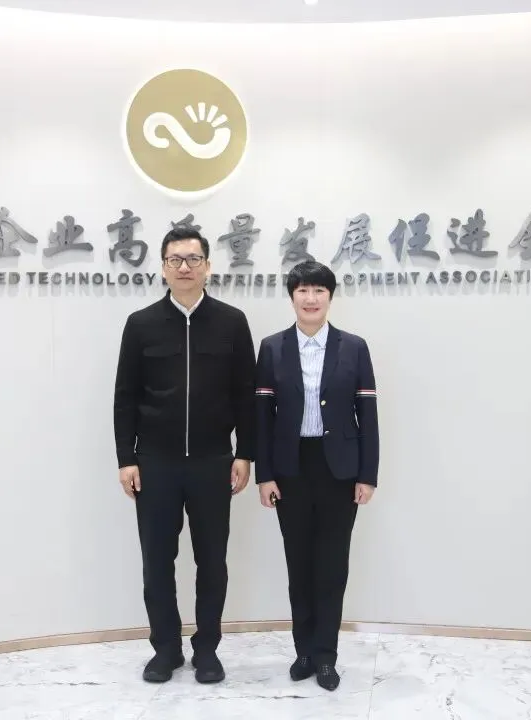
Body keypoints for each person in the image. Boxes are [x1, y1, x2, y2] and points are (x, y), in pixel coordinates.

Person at [113, 227, 256, 685]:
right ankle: (166, 649)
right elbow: (125, 395)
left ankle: (207, 649)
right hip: (155, 463)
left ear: (208, 266)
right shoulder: (141, 324)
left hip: (214, 461)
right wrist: (126, 457)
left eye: (194, 259)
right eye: (175, 259)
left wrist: (245, 452)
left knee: (212, 561)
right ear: (163, 268)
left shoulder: (232, 322)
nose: (185, 267)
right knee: (157, 562)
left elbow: (246, 394)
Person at [253, 260, 379, 692]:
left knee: (332, 565)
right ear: (292, 297)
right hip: (290, 470)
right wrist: (265, 475)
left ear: (330, 297)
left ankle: (326, 655)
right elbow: (262, 418)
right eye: (303, 291)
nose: (311, 299)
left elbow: (368, 415)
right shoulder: (272, 348)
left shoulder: (354, 347)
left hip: (339, 471)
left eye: (319, 291)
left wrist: (367, 475)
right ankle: (303, 651)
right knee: (299, 563)